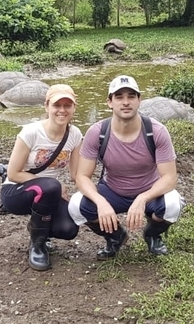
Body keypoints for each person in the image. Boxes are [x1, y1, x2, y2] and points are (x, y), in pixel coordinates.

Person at [68, 75, 184, 260]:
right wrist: (100, 201)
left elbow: (169, 177)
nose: (126, 102)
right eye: (119, 97)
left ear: (139, 100)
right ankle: (116, 236)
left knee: (172, 205)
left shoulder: (156, 131)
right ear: (109, 102)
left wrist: (143, 198)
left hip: (150, 190)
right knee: (76, 206)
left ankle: (152, 235)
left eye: (131, 96)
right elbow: (82, 176)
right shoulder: (97, 132)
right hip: (113, 190)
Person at [0, 84, 83, 271]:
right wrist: (54, 185)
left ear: (74, 108)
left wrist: (96, 200)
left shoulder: (75, 135)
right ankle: (37, 245)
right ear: (47, 107)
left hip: (51, 193)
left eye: (67, 105)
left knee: (68, 229)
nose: (62, 110)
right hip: (16, 190)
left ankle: (36, 227)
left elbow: (76, 174)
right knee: (51, 186)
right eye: (57, 105)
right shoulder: (31, 132)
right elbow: (13, 173)